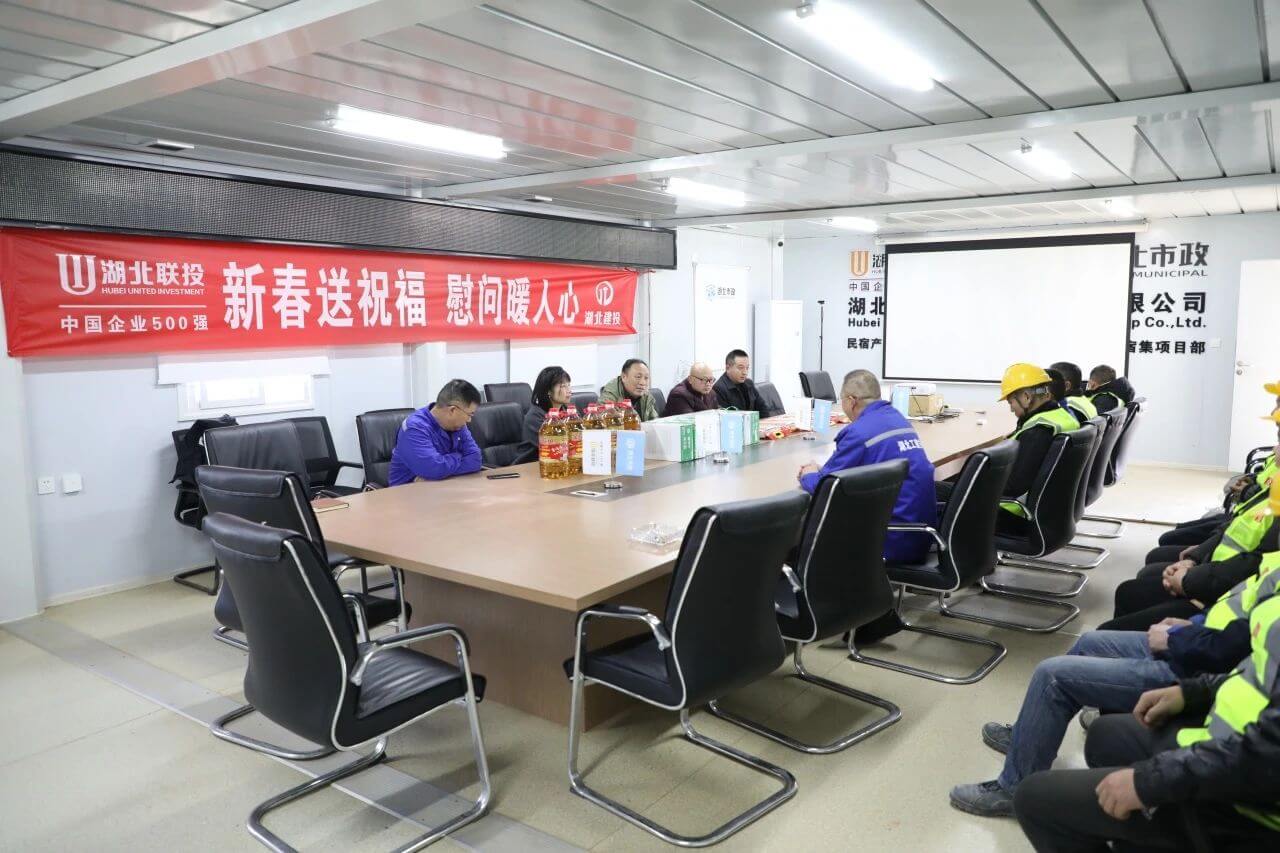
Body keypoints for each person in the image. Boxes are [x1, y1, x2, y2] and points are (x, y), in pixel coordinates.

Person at [950, 530, 1280, 819]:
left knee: (1052, 676)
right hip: (1197, 642)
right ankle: (1028, 737)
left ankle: (1013, 787)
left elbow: (1235, 646)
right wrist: (1192, 625)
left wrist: (1179, 639)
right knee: (1089, 642)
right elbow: (1241, 619)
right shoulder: (1274, 561)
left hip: (1195, 666)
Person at [1013, 592, 1280, 851]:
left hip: (1244, 804)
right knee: (1104, 736)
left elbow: (1266, 756)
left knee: (1035, 800)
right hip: (1222, 738)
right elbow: (1253, 668)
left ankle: (1014, 785)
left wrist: (1147, 782)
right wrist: (1191, 692)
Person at [797, 369, 936, 565]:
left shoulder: (858, 432)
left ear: (851, 401)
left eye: (842, 400)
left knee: (814, 525)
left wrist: (808, 474)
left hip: (890, 540)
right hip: (922, 534)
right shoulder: (897, 418)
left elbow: (825, 486)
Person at [943, 363, 1079, 522]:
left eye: (1010, 402)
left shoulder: (1038, 432)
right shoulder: (1061, 418)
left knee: (932, 488)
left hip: (1010, 511)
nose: (1011, 409)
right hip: (1047, 510)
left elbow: (1013, 486)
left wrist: (972, 480)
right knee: (956, 479)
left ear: (1026, 397)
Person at [388, 379, 483, 484]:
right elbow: (433, 468)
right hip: (407, 490)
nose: (469, 420)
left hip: (444, 484)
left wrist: (440, 469)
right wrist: (459, 456)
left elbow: (475, 459)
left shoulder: (458, 426)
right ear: (452, 410)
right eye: (469, 414)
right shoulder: (414, 428)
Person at [518, 365, 572, 462]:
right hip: (533, 465)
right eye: (563, 386)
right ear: (548, 391)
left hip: (560, 463)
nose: (569, 390)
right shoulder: (535, 417)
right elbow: (557, 447)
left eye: (569, 385)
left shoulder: (568, 411)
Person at [713, 349, 768, 414]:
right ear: (728, 368)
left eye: (747, 368)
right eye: (740, 368)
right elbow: (726, 417)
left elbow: (763, 408)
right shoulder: (719, 388)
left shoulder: (749, 383)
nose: (745, 372)